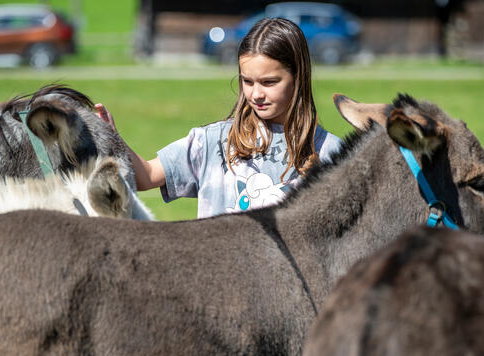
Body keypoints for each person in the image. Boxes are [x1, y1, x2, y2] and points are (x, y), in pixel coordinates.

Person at [96, 17, 342, 218]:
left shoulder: (333, 153)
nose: (256, 94)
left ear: (298, 78)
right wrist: (112, 138)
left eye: (269, 82)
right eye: (247, 81)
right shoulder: (211, 141)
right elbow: (145, 176)